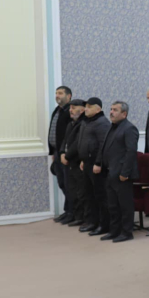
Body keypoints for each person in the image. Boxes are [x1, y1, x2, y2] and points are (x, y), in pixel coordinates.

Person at [95, 101, 139, 243]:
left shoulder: (129, 128)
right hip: (110, 172)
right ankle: (114, 231)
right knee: (112, 205)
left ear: (124, 114)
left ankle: (127, 232)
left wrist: (125, 173)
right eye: (111, 109)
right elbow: (105, 147)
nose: (111, 112)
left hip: (122, 174)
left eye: (115, 110)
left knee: (125, 205)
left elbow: (131, 152)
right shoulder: (112, 127)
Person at [77, 98, 111, 236]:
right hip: (87, 163)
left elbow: (103, 145)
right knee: (89, 194)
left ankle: (104, 225)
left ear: (98, 109)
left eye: (89, 107)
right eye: (86, 107)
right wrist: (83, 159)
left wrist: (98, 163)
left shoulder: (102, 123)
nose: (86, 109)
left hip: (97, 165)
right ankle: (93, 222)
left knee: (100, 196)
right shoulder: (88, 122)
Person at [59, 99, 88, 226]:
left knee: (80, 191)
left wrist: (68, 155)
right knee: (71, 190)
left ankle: (81, 217)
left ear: (82, 110)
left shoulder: (83, 124)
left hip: (76, 161)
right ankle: (74, 215)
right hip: (68, 161)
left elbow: (77, 144)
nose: (70, 110)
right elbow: (65, 140)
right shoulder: (71, 123)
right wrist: (61, 153)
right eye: (70, 108)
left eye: (73, 108)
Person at [49, 86, 74, 222]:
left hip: (66, 153)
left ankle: (72, 212)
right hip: (57, 152)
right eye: (56, 93)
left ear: (68, 96)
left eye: (60, 93)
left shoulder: (70, 111)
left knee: (68, 183)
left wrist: (65, 152)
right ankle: (68, 210)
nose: (57, 95)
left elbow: (69, 135)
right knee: (62, 183)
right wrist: (54, 151)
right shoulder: (57, 110)